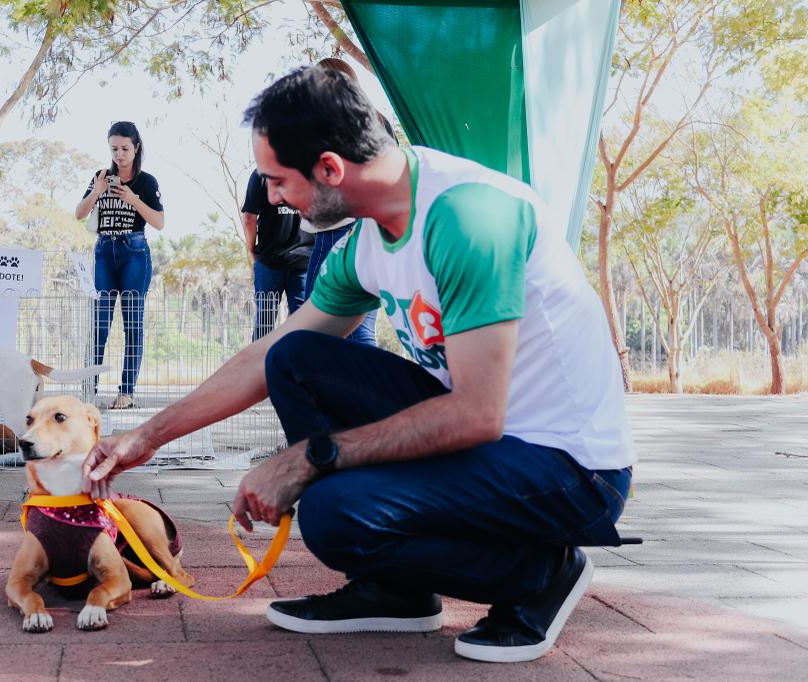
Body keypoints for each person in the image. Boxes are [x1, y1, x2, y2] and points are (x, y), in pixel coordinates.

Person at [82, 66, 635, 664]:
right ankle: (397, 590)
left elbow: (478, 413)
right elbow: (268, 358)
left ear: (329, 169)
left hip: (570, 471)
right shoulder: (367, 240)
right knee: (295, 358)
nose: (269, 197)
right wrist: (147, 435)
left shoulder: (466, 217)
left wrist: (310, 458)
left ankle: (539, 575)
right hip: (494, 445)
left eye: (276, 180)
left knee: (333, 513)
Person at [299, 57, 391, 347]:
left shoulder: (328, 125)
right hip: (375, 232)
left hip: (336, 233)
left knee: (317, 329)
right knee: (362, 327)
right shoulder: (379, 121)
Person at [75, 121, 164, 410]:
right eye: (114, 148)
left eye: (125, 148)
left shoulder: (147, 182)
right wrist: (97, 191)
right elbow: (79, 213)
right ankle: (89, 390)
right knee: (99, 324)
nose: (120, 155)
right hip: (104, 251)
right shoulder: (101, 176)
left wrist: (133, 199)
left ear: (136, 148)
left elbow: (159, 222)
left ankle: (126, 392)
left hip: (134, 252)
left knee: (133, 324)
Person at [242, 170, 313, 341]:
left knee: (264, 324)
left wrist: (251, 248)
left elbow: (249, 218)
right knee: (303, 326)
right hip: (304, 262)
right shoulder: (311, 169)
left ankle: (260, 367)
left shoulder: (262, 172)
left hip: (269, 259)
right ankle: (298, 367)